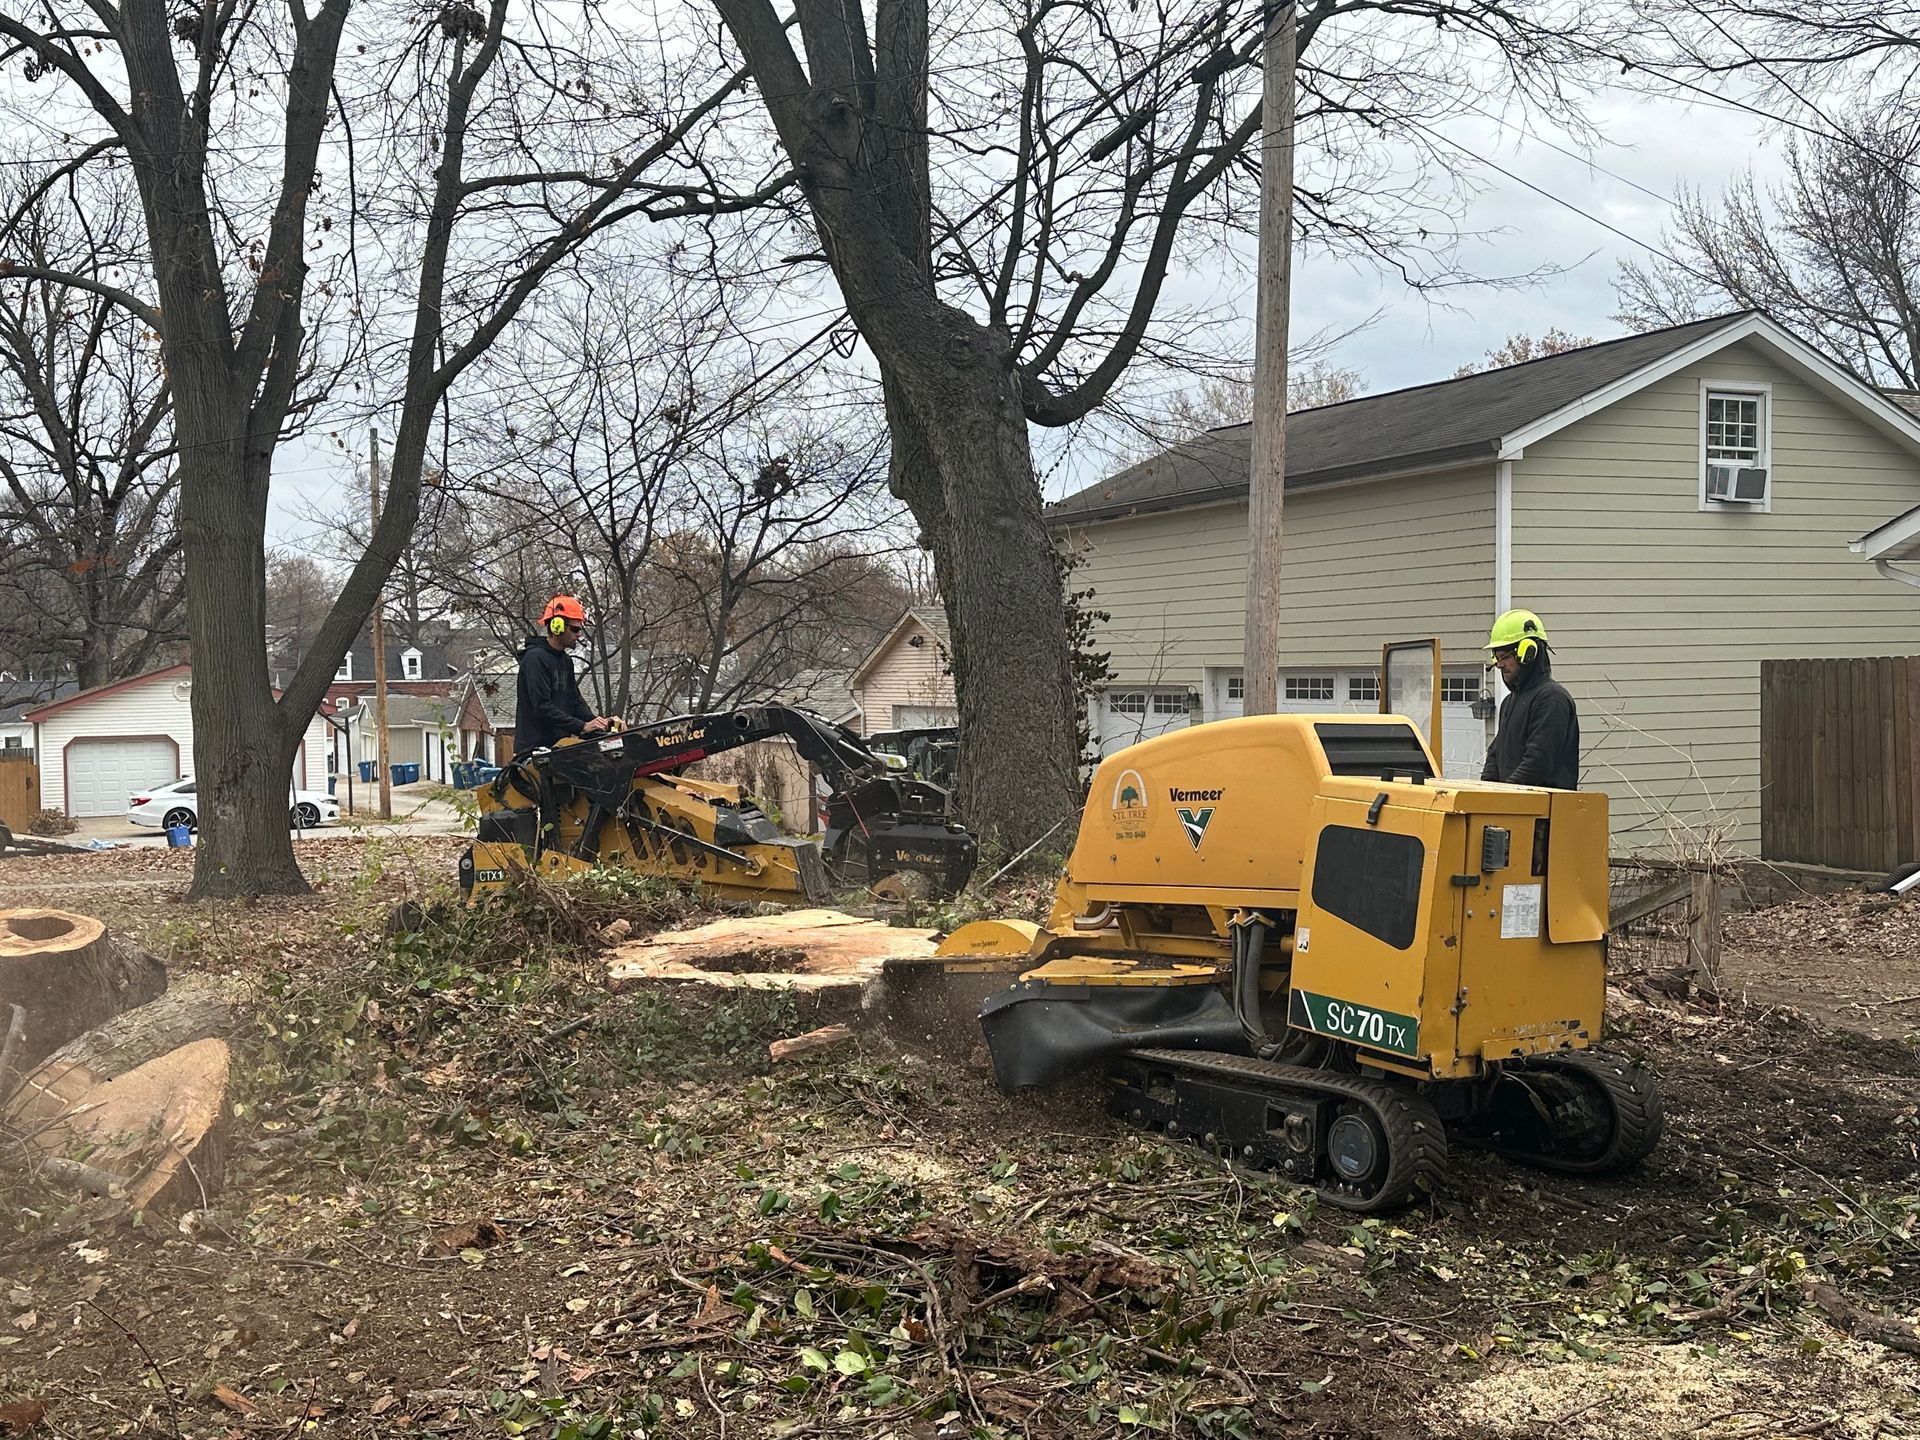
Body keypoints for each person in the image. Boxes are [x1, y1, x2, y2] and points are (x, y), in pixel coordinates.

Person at [1479, 608, 1580, 790]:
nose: (1499, 664)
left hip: (1543, 814)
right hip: (1514, 808)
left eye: (1504, 656)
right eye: (1496, 657)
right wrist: (1486, 793)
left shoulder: (1552, 699)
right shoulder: (1510, 702)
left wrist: (1503, 796)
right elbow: (1495, 755)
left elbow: (1537, 763)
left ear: (1528, 653)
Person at [513, 594, 620, 757]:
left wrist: (600, 724)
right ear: (557, 626)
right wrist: (582, 726)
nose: (579, 634)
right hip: (534, 753)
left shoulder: (565, 661)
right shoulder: (535, 659)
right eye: (575, 629)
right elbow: (542, 707)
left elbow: (575, 702)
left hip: (558, 750)